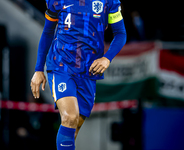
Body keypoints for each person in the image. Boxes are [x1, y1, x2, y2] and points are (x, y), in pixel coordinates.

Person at [30, 0, 126, 149]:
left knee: (72, 130)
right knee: (70, 117)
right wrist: (38, 69)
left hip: (88, 72)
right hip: (61, 66)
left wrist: (107, 58)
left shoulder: (109, 2)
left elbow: (120, 34)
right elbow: (48, 32)